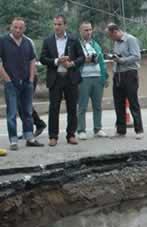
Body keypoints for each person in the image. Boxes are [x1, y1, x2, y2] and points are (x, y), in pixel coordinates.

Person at [40, 15, 84, 147]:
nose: (57, 27)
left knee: (72, 107)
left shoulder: (73, 39)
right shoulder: (48, 41)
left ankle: (71, 135)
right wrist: (56, 61)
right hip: (55, 78)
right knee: (54, 108)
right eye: (55, 24)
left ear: (65, 25)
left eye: (59, 24)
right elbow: (42, 58)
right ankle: (53, 136)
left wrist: (72, 64)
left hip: (70, 78)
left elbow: (81, 57)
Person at [0, 17, 43, 150]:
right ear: (11, 27)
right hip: (11, 82)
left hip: (26, 82)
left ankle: (29, 137)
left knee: (27, 111)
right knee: (12, 112)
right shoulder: (3, 41)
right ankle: (13, 141)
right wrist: (6, 79)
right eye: (15, 27)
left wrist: (30, 79)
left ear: (24, 28)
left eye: (20, 28)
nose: (18, 30)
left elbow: (32, 60)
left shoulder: (27, 42)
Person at [106, 23, 144, 139]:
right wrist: (113, 57)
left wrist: (122, 60)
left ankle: (139, 130)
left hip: (129, 73)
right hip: (118, 74)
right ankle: (121, 130)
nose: (111, 39)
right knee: (118, 103)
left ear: (115, 32)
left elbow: (137, 56)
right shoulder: (116, 43)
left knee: (133, 102)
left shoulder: (130, 40)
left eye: (111, 36)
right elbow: (118, 57)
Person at [76, 21, 108, 140]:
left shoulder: (96, 44)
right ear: (80, 31)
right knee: (82, 106)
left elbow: (101, 62)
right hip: (83, 78)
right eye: (86, 30)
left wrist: (104, 77)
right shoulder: (77, 45)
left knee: (97, 105)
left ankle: (98, 128)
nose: (88, 32)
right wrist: (85, 60)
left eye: (90, 30)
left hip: (97, 78)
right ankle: (81, 130)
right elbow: (74, 61)